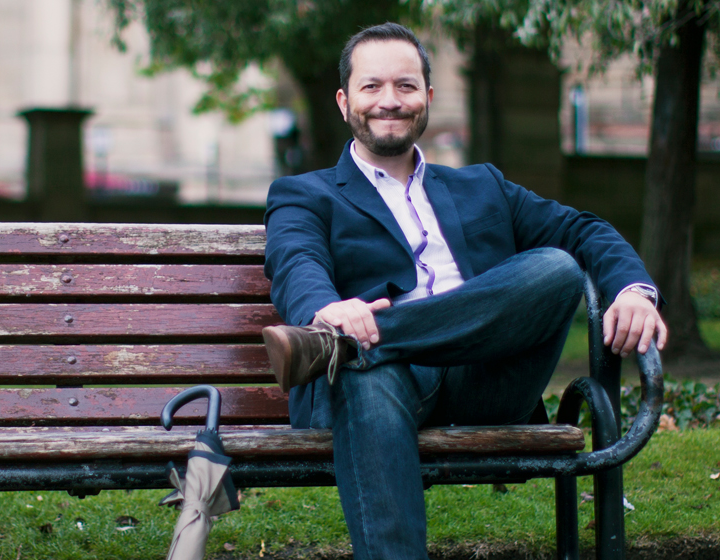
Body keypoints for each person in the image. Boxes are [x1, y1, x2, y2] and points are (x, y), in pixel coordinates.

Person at [260, 23, 668, 560]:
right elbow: (295, 260)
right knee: (365, 375)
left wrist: (633, 291)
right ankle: (358, 347)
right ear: (343, 101)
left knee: (555, 267)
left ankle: (359, 342)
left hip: (486, 378)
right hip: (381, 387)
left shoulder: (483, 186)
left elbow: (582, 230)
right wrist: (325, 308)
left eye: (406, 87)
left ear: (427, 98)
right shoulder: (305, 193)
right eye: (371, 87)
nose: (390, 101)